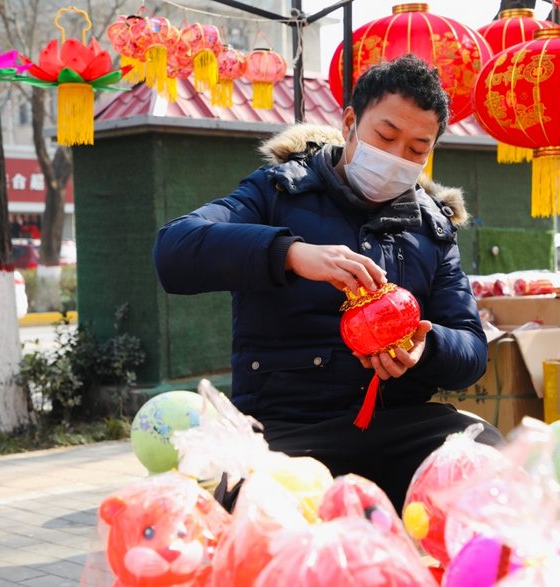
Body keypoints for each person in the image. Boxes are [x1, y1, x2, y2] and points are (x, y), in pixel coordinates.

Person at [153, 54, 503, 512]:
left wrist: (427, 347)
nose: (398, 157)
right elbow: (174, 250)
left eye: (417, 149)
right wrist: (291, 254)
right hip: (288, 431)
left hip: (400, 425)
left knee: (489, 463)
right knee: (273, 523)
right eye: (386, 136)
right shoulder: (276, 192)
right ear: (351, 121)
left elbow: (473, 352)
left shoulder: (433, 229)